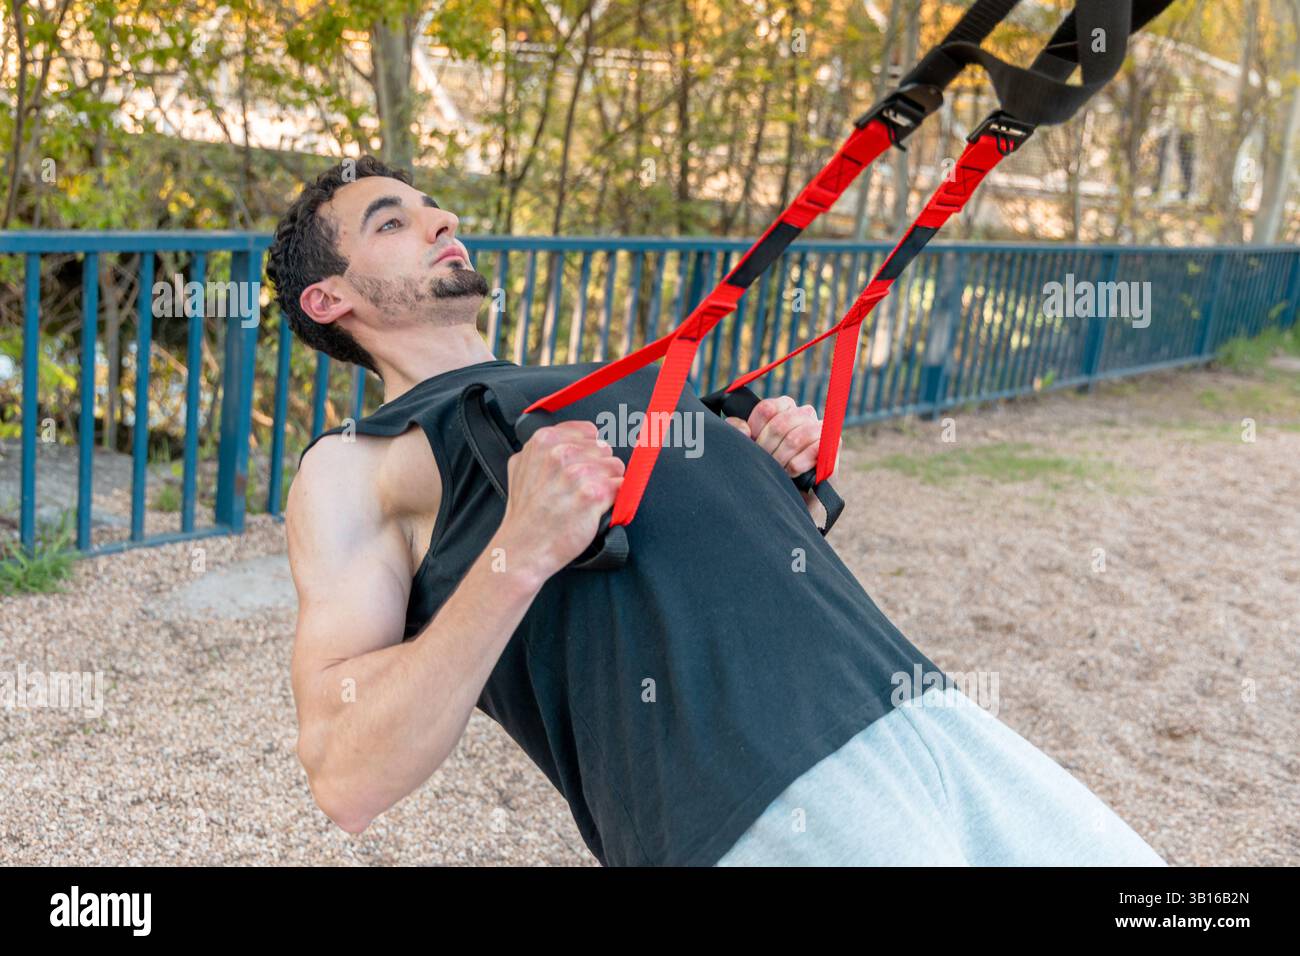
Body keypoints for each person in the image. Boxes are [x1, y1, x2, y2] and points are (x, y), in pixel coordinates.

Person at [269, 156, 1165, 866]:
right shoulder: (356, 462)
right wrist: (521, 546)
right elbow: (343, 770)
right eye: (392, 221)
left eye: (432, 207)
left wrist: (772, 493)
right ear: (329, 299)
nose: (440, 221)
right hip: (758, 793)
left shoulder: (574, 387)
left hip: (922, 711)